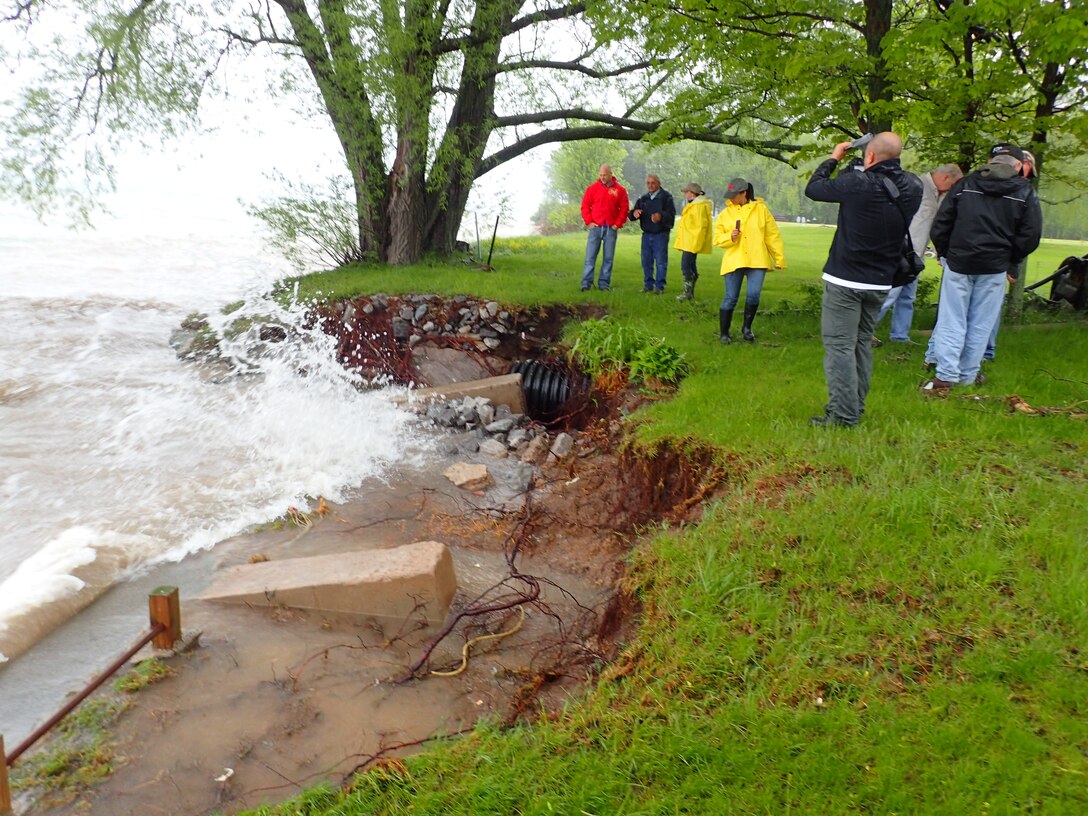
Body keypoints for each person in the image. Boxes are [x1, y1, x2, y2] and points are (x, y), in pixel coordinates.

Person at [804, 132, 923, 426]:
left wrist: (835, 158)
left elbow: (815, 188)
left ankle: (843, 416)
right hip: (882, 280)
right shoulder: (914, 186)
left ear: (869, 156)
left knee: (840, 347)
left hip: (846, 279)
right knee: (860, 344)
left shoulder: (856, 182)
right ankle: (854, 407)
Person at [923, 144, 1042, 393]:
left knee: (951, 319)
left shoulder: (965, 185)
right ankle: (967, 376)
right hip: (994, 266)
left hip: (960, 263)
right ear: (1019, 166)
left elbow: (941, 224)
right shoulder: (1024, 192)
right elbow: (1030, 235)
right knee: (981, 323)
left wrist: (946, 253)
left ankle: (946, 375)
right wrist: (1011, 259)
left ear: (990, 161)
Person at [872, 164, 963, 345]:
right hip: (899, 251)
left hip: (917, 255)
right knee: (889, 294)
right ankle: (864, 332)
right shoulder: (915, 186)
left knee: (907, 297)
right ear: (945, 178)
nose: (953, 189)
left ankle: (900, 336)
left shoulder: (942, 194)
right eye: (953, 185)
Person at [711, 177, 785, 343]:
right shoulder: (725, 214)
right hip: (734, 260)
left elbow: (772, 235)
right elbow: (717, 239)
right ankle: (724, 333)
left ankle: (747, 329)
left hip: (757, 259)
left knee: (753, 295)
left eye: (734, 195)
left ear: (743, 193)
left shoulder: (761, 210)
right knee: (731, 297)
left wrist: (779, 258)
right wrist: (730, 237)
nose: (730, 198)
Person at [983, 147, 1039, 362]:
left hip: (999, 258)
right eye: (1024, 168)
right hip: (982, 256)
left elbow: (1027, 234)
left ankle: (985, 352)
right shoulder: (990, 185)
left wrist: (1013, 263)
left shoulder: (1023, 192)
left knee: (990, 307)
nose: (1025, 175)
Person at [580, 164, 629, 292]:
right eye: (600, 175)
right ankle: (586, 284)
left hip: (610, 228)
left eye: (605, 175)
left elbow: (624, 209)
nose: (602, 177)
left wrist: (617, 224)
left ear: (610, 174)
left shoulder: (620, 190)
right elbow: (585, 206)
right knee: (590, 257)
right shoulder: (592, 189)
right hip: (595, 227)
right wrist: (589, 222)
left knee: (608, 258)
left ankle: (604, 284)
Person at [629, 175, 676, 293]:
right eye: (648, 183)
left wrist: (661, 217)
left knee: (660, 261)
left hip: (660, 234)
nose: (650, 185)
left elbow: (671, 217)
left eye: (653, 183)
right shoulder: (643, 199)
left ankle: (659, 286)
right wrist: (634, 213)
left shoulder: (666, 198)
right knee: (646, 261)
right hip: (646, 234)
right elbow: (631, 214)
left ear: (659, 184)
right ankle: (648, 285)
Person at [673, 182, 713, 301]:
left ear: (692, 193)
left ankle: (687, 293)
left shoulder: (698, 206)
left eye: (686, 192)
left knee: (685, 266)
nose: (685, 194)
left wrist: (696, 242)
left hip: (692, 241)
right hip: (689, 240)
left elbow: (701, 226)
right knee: (690, 266)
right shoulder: (694, 205)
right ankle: (689, 293)